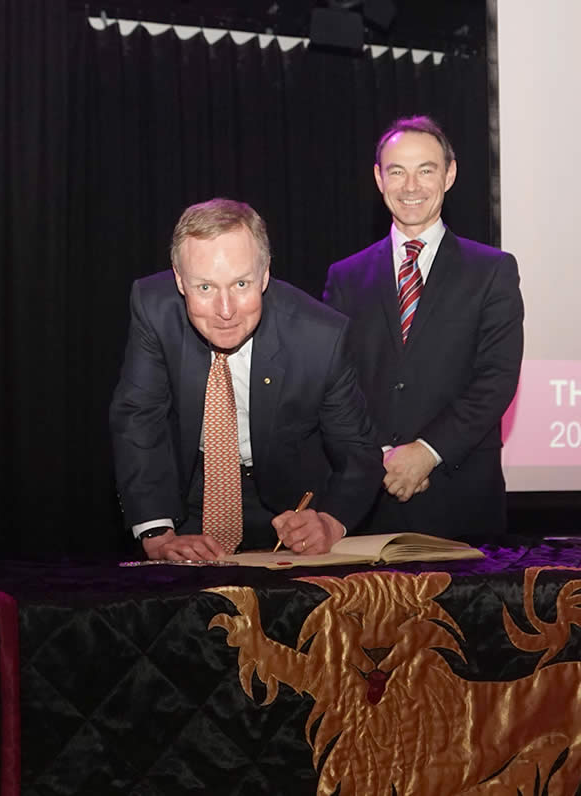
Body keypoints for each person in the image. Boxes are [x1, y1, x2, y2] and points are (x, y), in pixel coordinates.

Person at [110, 199, 382, 560]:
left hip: (290, 508)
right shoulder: (153, 308)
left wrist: (330, 523)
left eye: (241, 284)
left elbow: (359, 453)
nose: (226, 311)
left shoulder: (320, 336)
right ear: (179, 279)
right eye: (205, 288)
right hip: (184, 494)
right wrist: (158, 534)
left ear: (265, 273)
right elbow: (139, 418)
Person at [323, 116, 524, 539]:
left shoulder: (492, 271)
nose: (410, 186)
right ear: (379, 179)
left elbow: (497, 378)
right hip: (366, 499)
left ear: (449, 174)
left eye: (425, 170)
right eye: (397, 171)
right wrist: (382, 456)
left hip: (460, 499)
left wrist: (427, 453)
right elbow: (334, 382)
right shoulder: (345, 276)